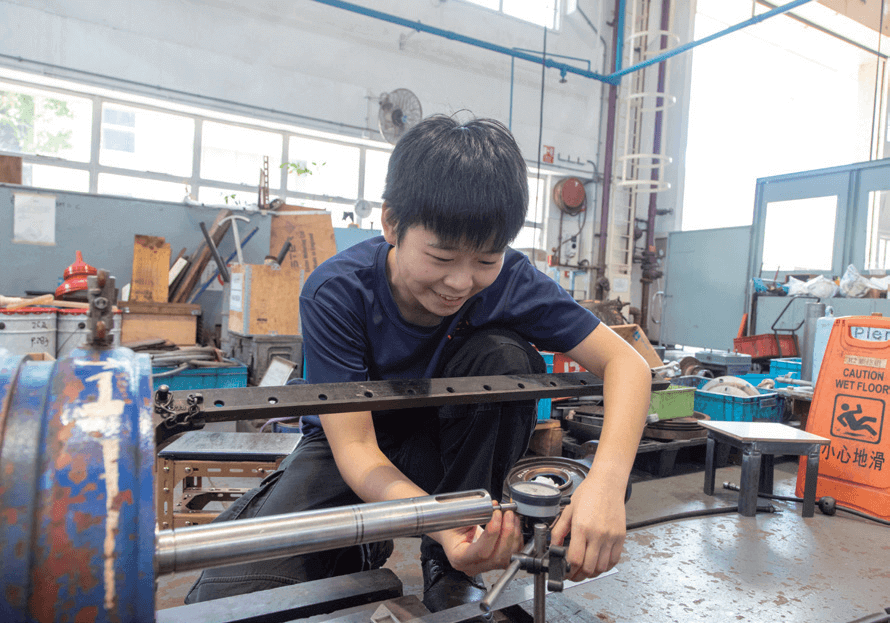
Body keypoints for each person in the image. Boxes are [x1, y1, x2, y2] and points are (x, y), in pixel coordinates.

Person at [185, 115, 652, 612]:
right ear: (391, 223)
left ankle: (451, 564)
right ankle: (364, 541)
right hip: (350, 453)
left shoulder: (512, 281)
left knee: (505, 357)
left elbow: (629, 364)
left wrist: (605, 482)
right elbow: (359, 451)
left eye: (486, 260)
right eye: (442, 256)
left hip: (449, 449)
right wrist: (434, 517)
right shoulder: (337, 292)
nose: (461, 282)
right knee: (232, 599)